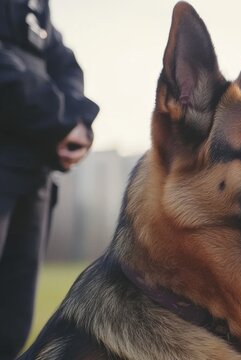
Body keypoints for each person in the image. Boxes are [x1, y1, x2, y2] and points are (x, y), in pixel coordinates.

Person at [0, 0, 98, 358]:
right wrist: (63, 120)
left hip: (35, 171)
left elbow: (64, 63)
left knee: (11, 326)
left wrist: (77, 122)